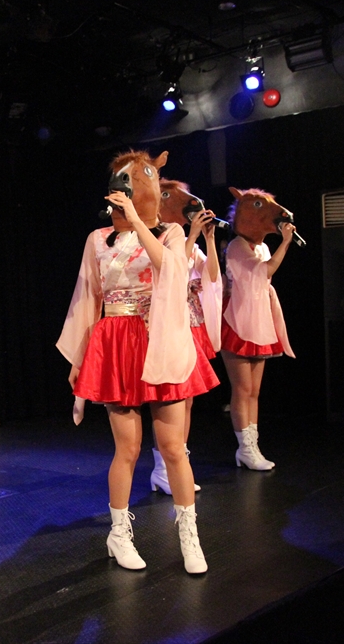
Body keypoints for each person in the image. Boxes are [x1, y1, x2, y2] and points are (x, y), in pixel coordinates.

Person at [58, 150, 210, 575]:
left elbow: (169, 270)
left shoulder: (172, 233)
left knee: (174, 447)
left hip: (159, 338)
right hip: (116, 343)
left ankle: (189, 536)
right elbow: (87, 298)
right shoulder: (97, 239)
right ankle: (119, 534)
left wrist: (140, 223)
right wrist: (79, 357)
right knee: (126, 448)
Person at [219, 187, 296, 471]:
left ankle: (252, 445)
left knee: (254, 390)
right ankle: (245, 447)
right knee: (242, 388)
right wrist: (285, 243)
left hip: (258, 318)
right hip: (237, 319)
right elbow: (264, 272)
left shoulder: (261, 247)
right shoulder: (237, 246)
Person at [150, 200, 222, 495]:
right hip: (171, 321)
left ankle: (178, 462)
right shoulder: (166, 240)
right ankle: (162, 468)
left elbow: (213, 275)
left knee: (187, 400)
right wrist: (191, 235)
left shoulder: (194, 246)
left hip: (192, 321)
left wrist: (209, 239)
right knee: (169, 397)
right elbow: (175, 272)